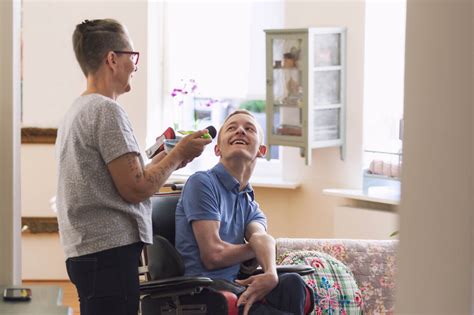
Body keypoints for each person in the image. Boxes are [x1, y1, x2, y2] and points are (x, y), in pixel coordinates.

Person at [55, 19, 212, 315]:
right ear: (112, 59)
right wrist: (178, 154)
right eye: (132, 56)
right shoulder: (106, 111)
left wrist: (168, 157)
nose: (135, 66)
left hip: (89, 251)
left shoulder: (79, 109)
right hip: (108, 254)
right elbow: (136, 188)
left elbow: (120, 179)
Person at [175, 110, 312, 315]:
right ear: (218, 149)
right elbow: (213, 255)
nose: (240, 131)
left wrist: (271, 273)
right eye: (232, 128)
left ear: (261, 150)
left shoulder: (248, 203)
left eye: (249, 129)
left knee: (292, 283)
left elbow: (262, 238)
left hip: (236, 288)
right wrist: (256, 247)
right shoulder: (202, 183)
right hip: (206, 294)